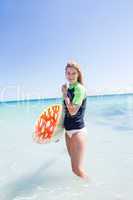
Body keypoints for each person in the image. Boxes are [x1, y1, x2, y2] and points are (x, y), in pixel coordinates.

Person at [61, 60, 88, 180]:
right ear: (65, 74)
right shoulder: (69, 88)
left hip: (78, 132)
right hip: (68, 132)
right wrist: (55, 133)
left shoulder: (79, 89)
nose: (70, 76)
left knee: (77, 170)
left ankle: (92, 187)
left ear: (78, 74)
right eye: (68, 73)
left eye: (73, 73)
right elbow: (65, 113)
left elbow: (72, 111)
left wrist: (65, 94)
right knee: (74, 169)